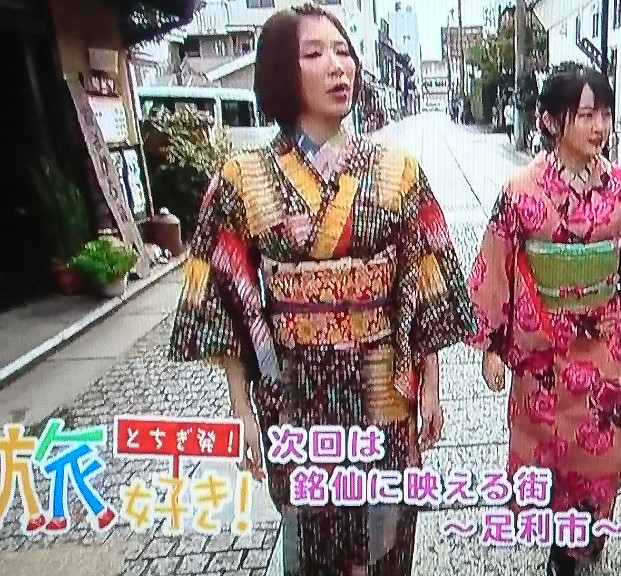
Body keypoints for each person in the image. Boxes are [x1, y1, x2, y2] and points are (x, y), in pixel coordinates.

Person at [167, 4, 475, 575]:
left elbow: (424, 278)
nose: (339, 65)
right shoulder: (242, 178)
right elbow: (224, 295)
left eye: (343, 51)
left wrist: (430, 385)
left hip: (383, 388)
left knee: (387, 533)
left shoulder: (398, 171)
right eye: (314, 53)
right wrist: (242, 410)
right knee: (311, 536)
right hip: (295, 392)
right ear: (281, 72)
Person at [466, 64, 621, 575]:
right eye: (586, 115)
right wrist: (491, 344)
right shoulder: (520, 191)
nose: (599, 126)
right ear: (550, 121)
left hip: (601, 341)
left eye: (604, 114)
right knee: (543, 450)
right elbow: (495, 263)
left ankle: (586, 536)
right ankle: (563, 543)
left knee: (603, 451)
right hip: (539, 347)